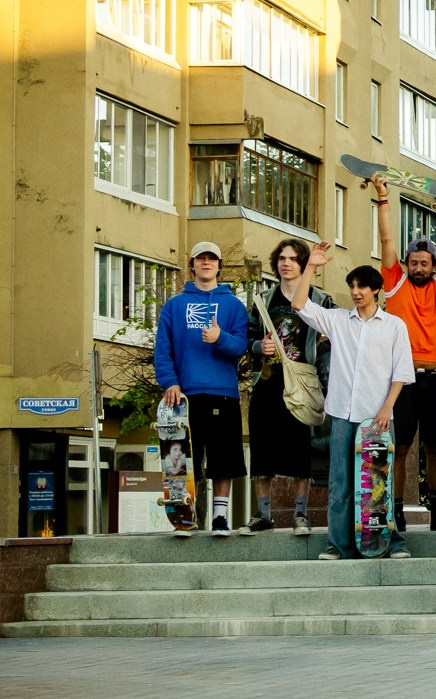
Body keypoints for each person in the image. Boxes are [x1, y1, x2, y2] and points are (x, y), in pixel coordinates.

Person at [285, 244, 414, 562]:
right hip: (342, 412)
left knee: (378, 482)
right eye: (352, 287)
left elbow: (401, 372)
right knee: (340, 482)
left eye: (362, 287)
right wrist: (311, 266)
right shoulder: (338, 321)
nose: (356, 292)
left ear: (376, 290)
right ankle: (337, 544)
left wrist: (387, 407)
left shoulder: (395, 326)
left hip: (378, 417)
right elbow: (299, 304)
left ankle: (390, 542)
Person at [371, 176, 436, 526]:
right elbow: (386, 239)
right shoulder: (394, 284)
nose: (419, 268)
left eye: (425, 263)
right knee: (401, 447)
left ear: (434, 266)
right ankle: (393, 511)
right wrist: (383, 198)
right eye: (415, 262)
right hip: (402, 379)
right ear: (407, 263)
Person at [153, 239, 250, 536]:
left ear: (219, 266)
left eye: (212, 259)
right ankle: (183, 514)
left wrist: (220, 337)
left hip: (223, 392)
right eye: (200, 258)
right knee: (180, 459)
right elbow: (162, 349)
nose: (206, 263)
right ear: (192, 264)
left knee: (224, 458)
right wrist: (170, 381)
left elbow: (240, 347)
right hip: (184, 397)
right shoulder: (174, 306)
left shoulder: (234, 306)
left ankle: (220, 517)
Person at [245, 238, 332, 534]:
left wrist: (323, 356)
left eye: (293, 259)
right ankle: (263, 514)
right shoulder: (264, 299)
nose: (286, 263)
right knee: (261, 449)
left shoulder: (320, 299)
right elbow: (248, 339)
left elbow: (338, 340)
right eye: (282, 258)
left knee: (299, 450)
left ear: (303, 263)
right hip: (268, 380)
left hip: (303, 382)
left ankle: (300, 514)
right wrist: (260, 346)